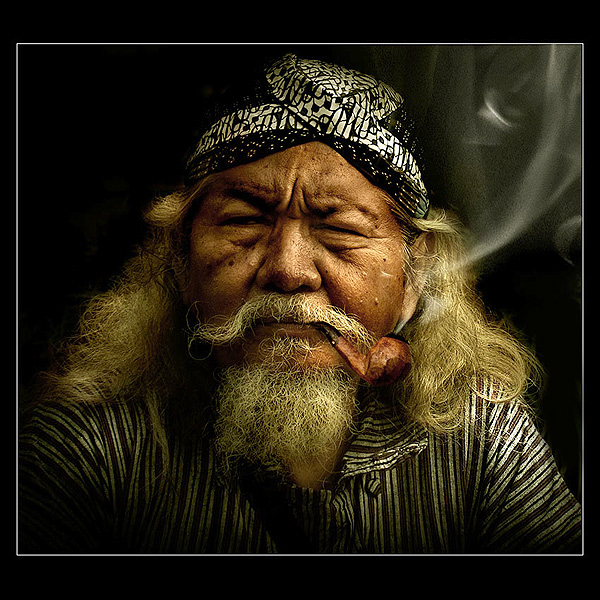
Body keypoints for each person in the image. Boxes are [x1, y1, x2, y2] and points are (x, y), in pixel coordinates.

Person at [18, 53, 581, 554]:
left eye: (339, 229)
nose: (288, 271)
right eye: (244, 221)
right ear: (182, 262)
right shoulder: (90, 446)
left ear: (415, 276)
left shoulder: (476, 436)